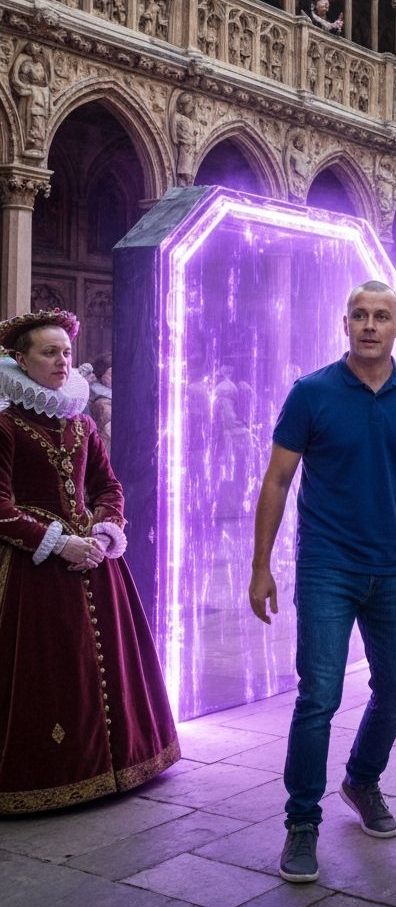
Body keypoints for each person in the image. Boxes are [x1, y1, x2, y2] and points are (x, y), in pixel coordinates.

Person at [248, 281, 396, 884]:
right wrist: (261, 564)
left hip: (393, 566)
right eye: (361, 316)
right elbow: (276, 481)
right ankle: (301, 822)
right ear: (345, 323)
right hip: (326, 566)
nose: (370, 325)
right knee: (318, 695)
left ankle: (362, 780)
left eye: (382, 317)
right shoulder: (311, 393)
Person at [0, 309, 180, 814]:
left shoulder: (80, 425)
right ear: (20, 360)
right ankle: (53, 777)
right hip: (33, 573)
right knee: (51, 669)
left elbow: (108, 486)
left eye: (66, 352)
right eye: (49, 352)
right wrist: (58, 543)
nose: (62, 362)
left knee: (110, 663)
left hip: (97, 563)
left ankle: (121, 764)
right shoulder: (5, 426)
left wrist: (104, 530)